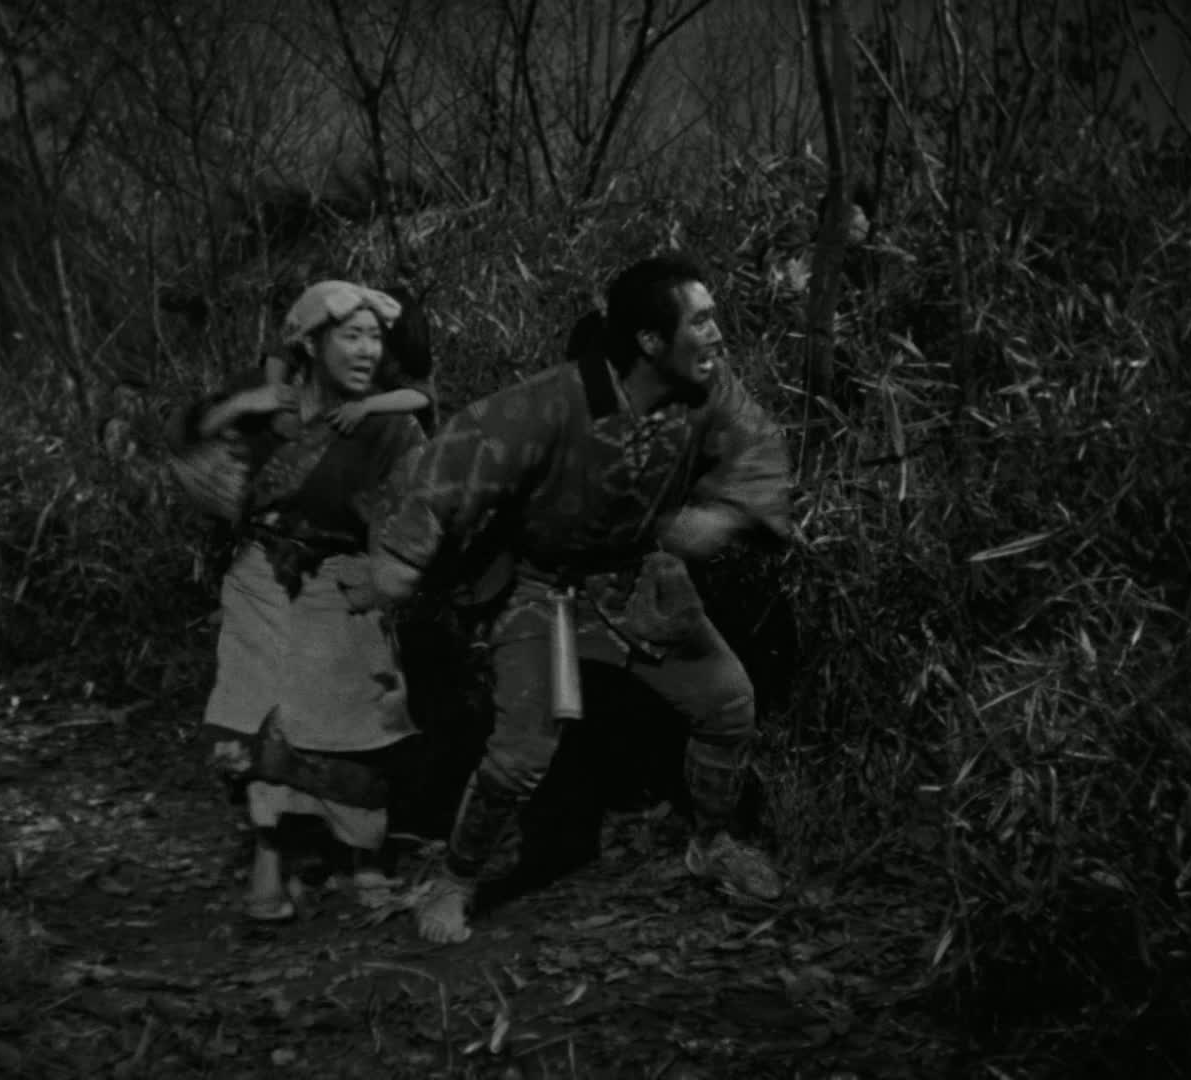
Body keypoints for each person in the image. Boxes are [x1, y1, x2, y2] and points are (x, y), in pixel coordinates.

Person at [367, 252, 794, 944]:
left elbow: (760, 443)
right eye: (701, 321)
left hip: (642, 581)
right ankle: (454, 879)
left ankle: (713, 842)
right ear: (650, 341)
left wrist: (726, 513)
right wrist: (406, 550)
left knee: (728, 703)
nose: (718, 334)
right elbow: (460, 453)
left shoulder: (709, 389)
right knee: (521, 755)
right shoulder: (552, 402)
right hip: (546, 592)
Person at [165, 280, 430, 923]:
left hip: (343, 573)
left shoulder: (389, 425)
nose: (367, 350)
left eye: (374, 338)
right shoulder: (266, 408)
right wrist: (239, 406)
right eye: (351, 336)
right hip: (262, 572)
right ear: (311, 343)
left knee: (358, 713)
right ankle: (269, 852)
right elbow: (185, 441)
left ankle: (363, 854)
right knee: (260, 708)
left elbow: (415, 509)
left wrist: (386, 576)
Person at [260, 282, 438, 438]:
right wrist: (277, 402)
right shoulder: (325, 335)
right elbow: (282, 349)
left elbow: (423, 394)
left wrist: (365, 406)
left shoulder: (398, 355)